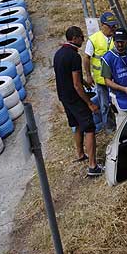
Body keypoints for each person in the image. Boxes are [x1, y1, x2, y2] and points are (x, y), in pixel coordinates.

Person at [53, 26, 104, 176]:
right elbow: (76, 84)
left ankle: (80, 154)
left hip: (63, 96)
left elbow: (66, 75)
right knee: (89, 127)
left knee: (76, 124)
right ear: (74, 38)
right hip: (75, 98)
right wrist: (89, 103)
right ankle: (93, 166)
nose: (83, 39)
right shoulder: (74, 57)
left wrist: (84, 81)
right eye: (81, 37)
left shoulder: (59, 53)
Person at [83, 11, 118, 134]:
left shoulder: (116, 37)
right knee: (105, 106)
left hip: (116, 79)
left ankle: (120, 124)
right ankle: (109, 128)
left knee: (118, 103)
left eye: (114, 26)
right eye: (110, 26)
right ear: (102, 25)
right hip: (101, 80)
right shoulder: (93, 40)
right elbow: (86, 58)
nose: (113, 29)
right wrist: (88, 76)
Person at [101, 28, 127, 127]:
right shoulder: (108, 58)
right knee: (124, 126)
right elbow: (107, 81)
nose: (120, 45)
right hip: (120, 97)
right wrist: (123, 89)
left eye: (122, 42)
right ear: (113, 41)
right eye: (117, 42)